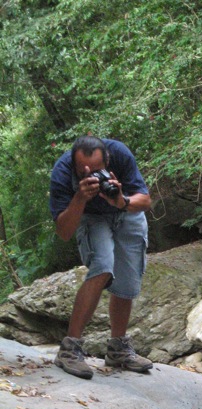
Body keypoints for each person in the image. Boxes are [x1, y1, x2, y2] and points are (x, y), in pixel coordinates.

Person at [49, 135, 154, 379]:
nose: (91, 174)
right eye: (83, 170)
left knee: (127, 282)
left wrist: (121, 200)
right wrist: (80, 197)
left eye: (97, 170)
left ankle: (118, 350)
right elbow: (64, 231)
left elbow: (145, 200)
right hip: (91, 217)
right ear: (74, 164)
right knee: (103, 267)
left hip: (125, 211)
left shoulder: (119, 153)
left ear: (107, 159)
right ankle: (69, 350)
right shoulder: (62, 172)